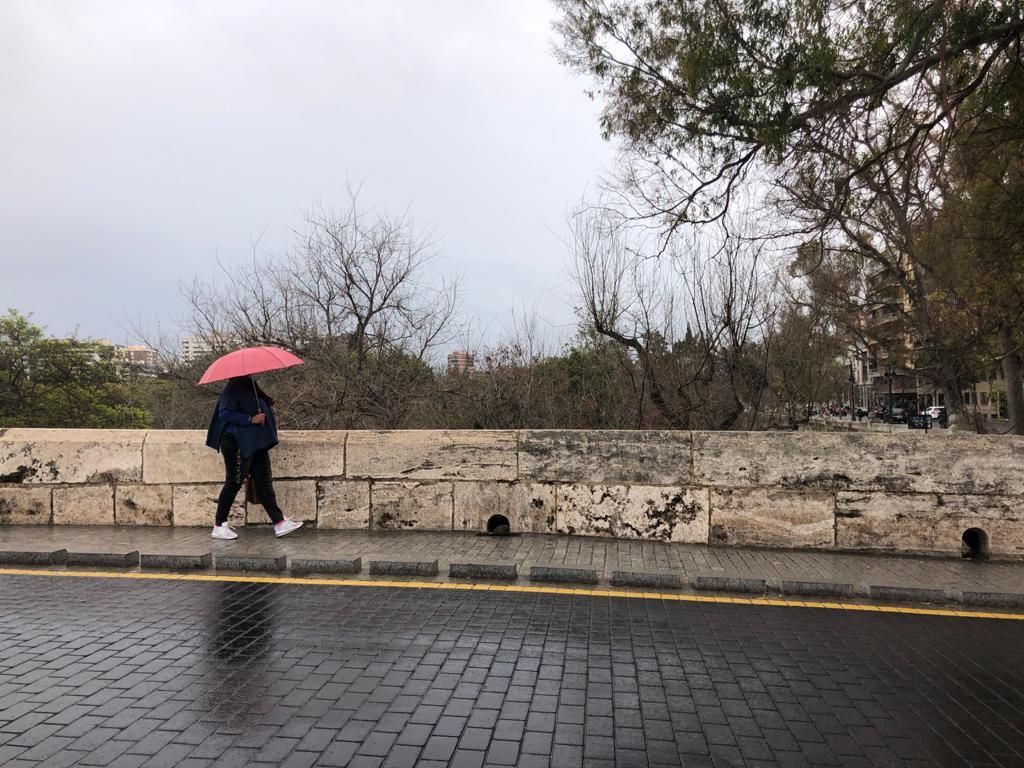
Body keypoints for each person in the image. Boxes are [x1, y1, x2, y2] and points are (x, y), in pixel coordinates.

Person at [205, 375, 303, 540]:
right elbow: (224, 413)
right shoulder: (234, 386)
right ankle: (219, 525)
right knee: (234, 482)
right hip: (237, 442)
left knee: (264, 482)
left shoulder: (249, 385)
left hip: (255, 443)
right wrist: (250, 419)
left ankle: (279, 522)